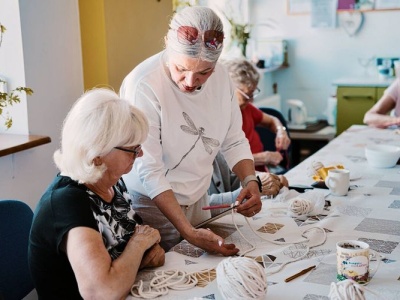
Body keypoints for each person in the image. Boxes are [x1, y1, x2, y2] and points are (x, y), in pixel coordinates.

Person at [120, 6, 262, 255]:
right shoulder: (143, 85)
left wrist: (249, 180)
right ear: (167, 43)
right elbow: (149, 169)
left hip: (198, 196)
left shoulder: (222, 79)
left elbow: (233, 140)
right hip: (153, 202)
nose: (189, 82)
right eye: (181, 69)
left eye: (203, 72)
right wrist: (187, 231)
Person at [28, 88, 165, 300]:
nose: (140, 154)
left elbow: (150, 248)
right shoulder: (67, 202)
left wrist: (141, 253)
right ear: (97, 154)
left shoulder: (113, 184)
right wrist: (138, 247)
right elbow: (102, 292)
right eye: (133, 149)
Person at [223, 58, 291, 172]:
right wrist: (263, 158)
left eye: (253, 93)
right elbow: (223, 163)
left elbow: (271, 121)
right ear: (228, 87)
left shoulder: (246, 108)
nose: (251, 101)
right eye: (246, 95)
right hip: (242, 178)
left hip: (261, 173)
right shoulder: (219, 118)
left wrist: (281, 131)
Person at [209, 152, 289, 217]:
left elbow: (231, 177)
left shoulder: (214, 152)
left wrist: (268, 178)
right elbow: (199, 208)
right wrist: (255, 186)